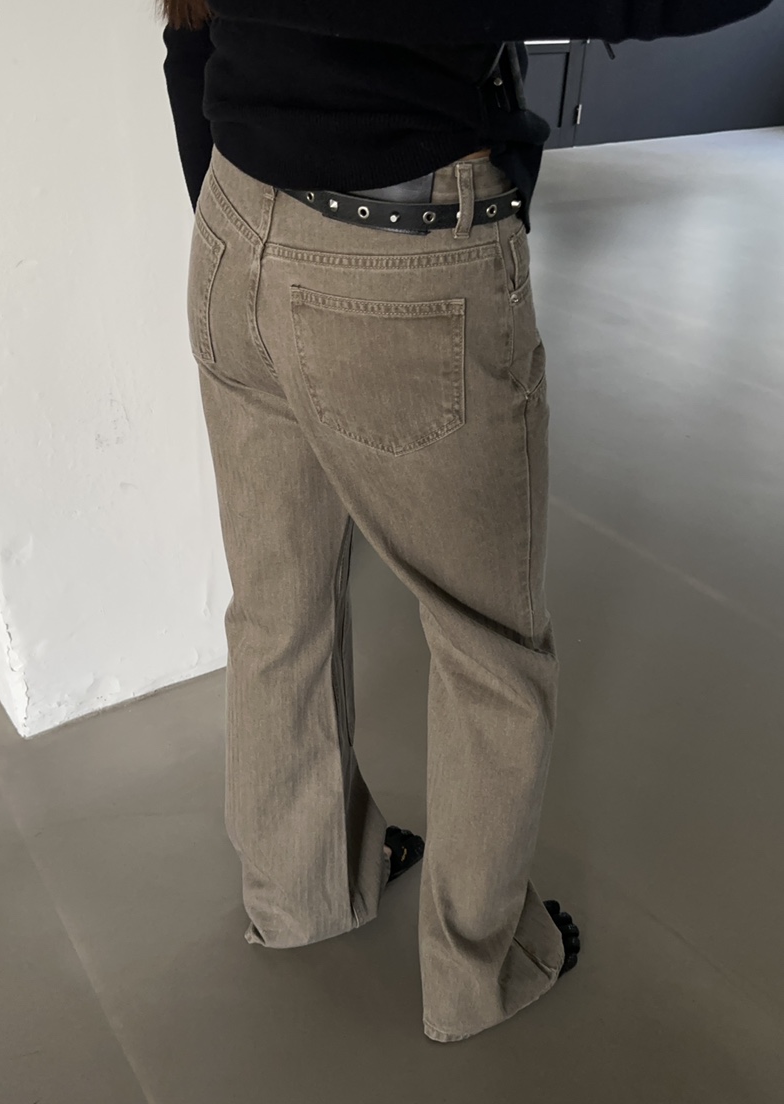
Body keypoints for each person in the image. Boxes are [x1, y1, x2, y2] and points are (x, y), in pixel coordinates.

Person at [158, 0, 771, 1044]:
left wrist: (254, 232)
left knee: (276, 606)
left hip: (234, 222)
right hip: (392, 253)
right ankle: (477, 971)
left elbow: (187, 27)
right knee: (490, 650)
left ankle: (300, 891)